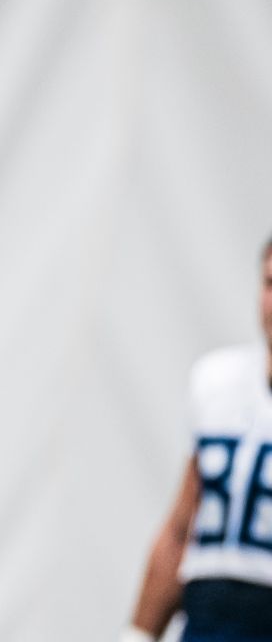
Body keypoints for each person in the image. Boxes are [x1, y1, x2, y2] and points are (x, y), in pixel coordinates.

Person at [124, 236, 272, 642]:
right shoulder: (217, 381)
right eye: (270, 284)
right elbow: (180, 527)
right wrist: (138, 632)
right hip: (209, 616)